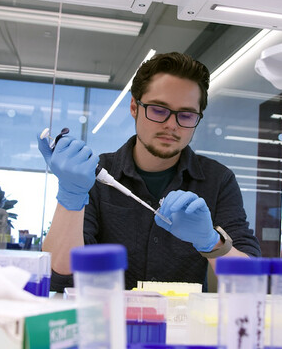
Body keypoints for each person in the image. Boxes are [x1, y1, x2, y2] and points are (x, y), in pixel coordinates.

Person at [38, 52, 261, 291]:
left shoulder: (218, 180)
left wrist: (211, 242)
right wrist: (70, 196)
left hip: (185, 326)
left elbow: (251, 282)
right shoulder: (94, 174)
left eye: (186, 115)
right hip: (107, 320)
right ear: (134, 107)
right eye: (158, 109)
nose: (171, 124)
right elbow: (59, 277)